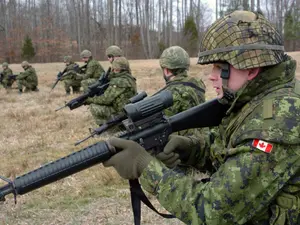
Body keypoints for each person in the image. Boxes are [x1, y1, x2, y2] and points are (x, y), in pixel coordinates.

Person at [102, 10, 300, 224]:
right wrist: (191, 149)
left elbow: (212, 211)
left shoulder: (278, 121)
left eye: (219, 67)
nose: (212, 76)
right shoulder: (257, 97)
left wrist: (145, 166)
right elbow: (232, 149)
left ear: (250, 68)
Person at [156, 46, 206, 138]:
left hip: (183, 145)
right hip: (203, 139)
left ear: (166, 70)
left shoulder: (169, 94)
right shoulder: (198, 84)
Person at [85, 57, 137, 126]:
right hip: (129, 110)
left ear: (117, 68)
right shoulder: (129, 77)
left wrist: (90, 100)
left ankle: (110, 128)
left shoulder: (119, 81)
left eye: (114, 68)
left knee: (93, 106)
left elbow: (105, 99)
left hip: (121, 113)